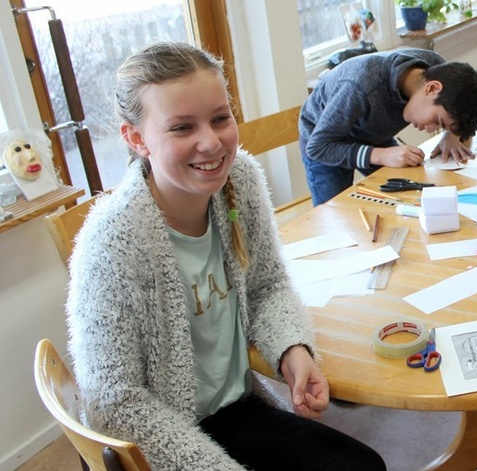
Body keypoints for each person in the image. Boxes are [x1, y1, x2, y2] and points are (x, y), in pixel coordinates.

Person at [66, 42, 386, 471]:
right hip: (161, 434)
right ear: (136, 138)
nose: (210, 142)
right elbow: (115, 403)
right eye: (182, 128)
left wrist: (293, 349)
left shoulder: (242, 180)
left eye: (220, 118)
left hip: (233, 412)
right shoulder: (111, 244)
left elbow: (267, 287)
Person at [300, 48, 477, 206]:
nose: (430, 129)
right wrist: (381, 155)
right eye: (438, 121)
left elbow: (460, 104)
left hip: (372, 128)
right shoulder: (359, 87)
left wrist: (451, 134)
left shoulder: (441, 72)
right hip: (325, 141)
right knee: (336, 213)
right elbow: (317, 147)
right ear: (432, 89)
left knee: (404, 196)